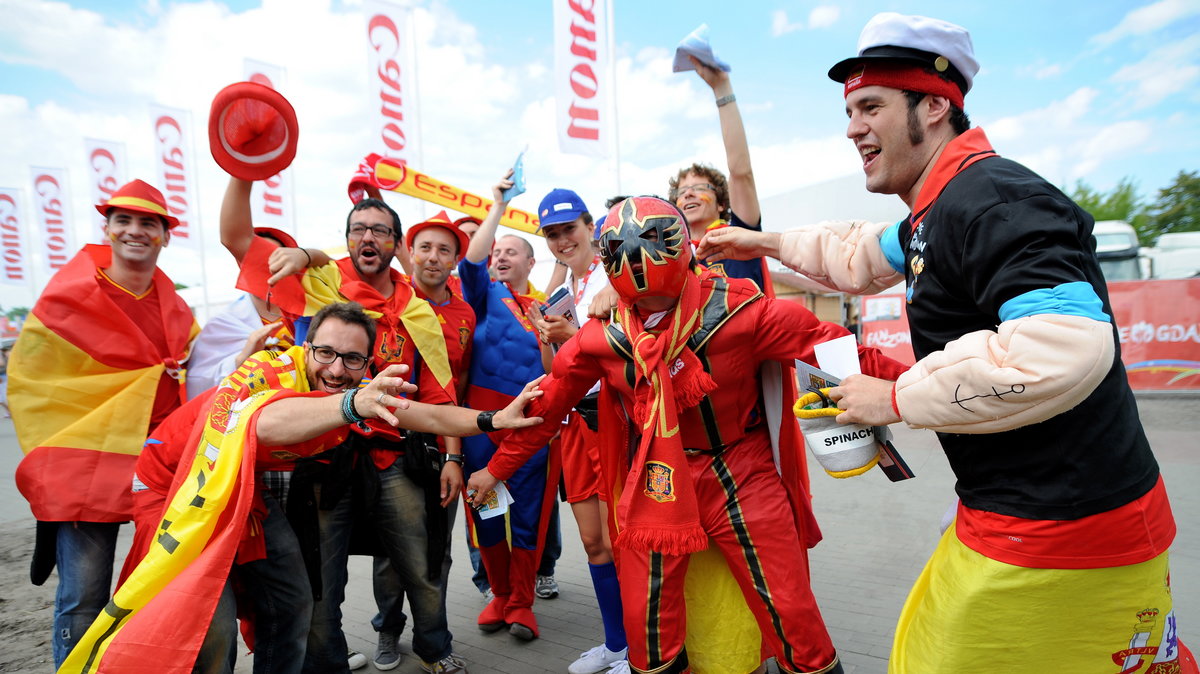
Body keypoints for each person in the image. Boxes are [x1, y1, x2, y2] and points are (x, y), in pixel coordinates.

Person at [696, 12, 1196, 674]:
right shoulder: (934, 211)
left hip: (1068, 530)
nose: (852, 129)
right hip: (1014, 511)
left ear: (934, 107)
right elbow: (854, 253)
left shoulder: (993, 200)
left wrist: (896, 395)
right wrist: (762, 242)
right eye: (849, 111)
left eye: (870, 107)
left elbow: (1064, 350)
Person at [470, 196, 908, 674]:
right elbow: (547, 411)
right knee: (647, 628)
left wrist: (921, 391)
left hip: (742, 471)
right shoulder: (600, 337)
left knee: (793, 615)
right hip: (657, 478)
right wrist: (495, 469)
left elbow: (839, 351)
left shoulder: (740, 312)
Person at [65, 301, 544, 673]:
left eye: (352, 359)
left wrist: (494, 419)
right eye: (326, 353)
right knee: (207, 621)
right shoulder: (268, 372)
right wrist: (352, 405)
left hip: (245, 494)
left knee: (294, 599)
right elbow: (264, 425)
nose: (336, 370)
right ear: (305, 347)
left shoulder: (358, 392)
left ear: (366, 362)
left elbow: (429, 415)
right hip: (178, 488)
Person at [235, 192, 467, 674]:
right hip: (322, 456)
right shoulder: (320, 286)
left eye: (380, 231)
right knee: (321, 584)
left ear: (395, 244)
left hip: (393, 457)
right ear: (346, 239)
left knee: (422, 564)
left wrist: (453, 458)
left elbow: (441, 393)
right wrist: (305, 253)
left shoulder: (417, 310)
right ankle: (331, 663)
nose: (369, 237)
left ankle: (433, 648)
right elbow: (238, 241)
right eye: (359, 229)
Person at [8, 179, 199, 668]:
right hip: (83, 467)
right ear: (108, 229)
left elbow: (196, 379)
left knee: (157, 589)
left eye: (148, 223)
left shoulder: (177, 309)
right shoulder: (69, 298)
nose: (135, 231)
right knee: (83, 595)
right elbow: (32, 379)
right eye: (124, 221)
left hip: (155, 470)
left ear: (165, 235)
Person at [369, 211, 476, 671]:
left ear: (456, 259)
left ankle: (434, 644)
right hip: (387, 447)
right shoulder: (386, 300)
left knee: (438, 550)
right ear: (408, 251)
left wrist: (454, 455)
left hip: (442, 445)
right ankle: (388, 629)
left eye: (444, 249)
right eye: (425, 247)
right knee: (390, 552)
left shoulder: (464, 313)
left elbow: (454, 386)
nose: (433, 257)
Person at [457, 172, 559, 644]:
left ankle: (522, 602)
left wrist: (547, 338)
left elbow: (559, 372)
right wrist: (496, 205)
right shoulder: (482, 295)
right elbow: (472, 262)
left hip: (531, 428)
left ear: (530, 261)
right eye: (497, 252)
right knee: (486, 511)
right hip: (481, 426)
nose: (500, 256)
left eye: (510, 251)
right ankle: (499, 595)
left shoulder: (547, 308)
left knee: (529, 516)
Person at [532, 187, 629, 674]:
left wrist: (573, 338)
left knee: (623, 540)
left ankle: (644, 648)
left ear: (590, 226)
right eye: (552, 234)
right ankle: (616, 644)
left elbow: (631, 349)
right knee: (594, 542)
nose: (561, 240)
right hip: (574, 423)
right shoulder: (559, 292)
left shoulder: (618, 272)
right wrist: (549, 339)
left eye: (568, 229)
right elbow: (556, 371)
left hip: (614, 417)